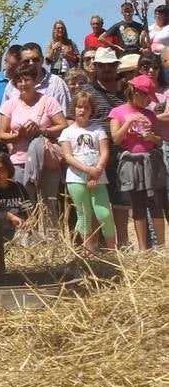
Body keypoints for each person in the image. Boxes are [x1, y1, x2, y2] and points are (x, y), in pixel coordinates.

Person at [0, 63, 68, 218]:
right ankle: (28, 239)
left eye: (27, 80)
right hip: (19, 162)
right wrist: (19, 135)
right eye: (19, 81)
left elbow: (63, 125)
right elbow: (1, 135)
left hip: (46, 161)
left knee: (49, 204)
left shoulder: (48, 101)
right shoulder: (10, 105)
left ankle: (52, 239)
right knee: (25, 205)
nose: (23, 84)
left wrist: (42, 131)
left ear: (35, 81)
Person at [110, 75, 167, 251]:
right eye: (146, 96)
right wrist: (129, 122)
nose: (148, 100)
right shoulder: (118, 112)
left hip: (150, 161)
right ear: (135, 92)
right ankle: (143, 249)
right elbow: (116, 139)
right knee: (138, 205)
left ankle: (162, 246)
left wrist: (151, 137)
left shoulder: (150, 114)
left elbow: (159, 141)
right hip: (131, 163)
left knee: (156, 203)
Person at [80, 47, 129, 246]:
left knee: (121, 203)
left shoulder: (126, 92)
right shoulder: (86, 92)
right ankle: (94, 247)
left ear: (117, 67)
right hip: (93, 157)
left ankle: (122, 244)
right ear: (95, 67)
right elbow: (70, 120)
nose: (107, 69)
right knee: (94, 203)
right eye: (102, 65)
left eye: (110, 65)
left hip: (120, 154)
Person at [58, 92, 113, 253]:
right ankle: (90, 251)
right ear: (74, 109)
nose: (82, 110)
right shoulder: (67, 132)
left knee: (103, 214)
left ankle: (113, 251)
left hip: (98, 177)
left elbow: (104, 152)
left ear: (91, 110)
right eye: (79, 107)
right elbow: (68, 156)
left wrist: (96, 171)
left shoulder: (97, 129)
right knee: (84, 214)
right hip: (76, 178)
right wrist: (87, 170)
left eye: (86, 107)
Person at [0, 154, 33, 241]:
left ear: (8, 169)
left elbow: (30, 214)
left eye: (0, 169)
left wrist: (27, 223)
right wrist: (10, 216)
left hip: (17, 232)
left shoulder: (18, 188)